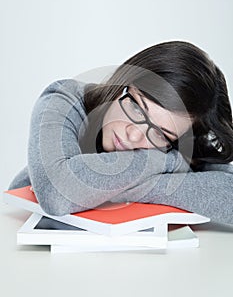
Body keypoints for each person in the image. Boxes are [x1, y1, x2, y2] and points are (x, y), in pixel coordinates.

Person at [8, 41, 233, 224]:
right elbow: (57, 195)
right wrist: (169, 164)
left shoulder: (182, 144)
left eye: (160, 134)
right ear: (124, 82)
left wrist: (89, 191)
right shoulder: (64, 97)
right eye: (136, 107)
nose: (134, 135)